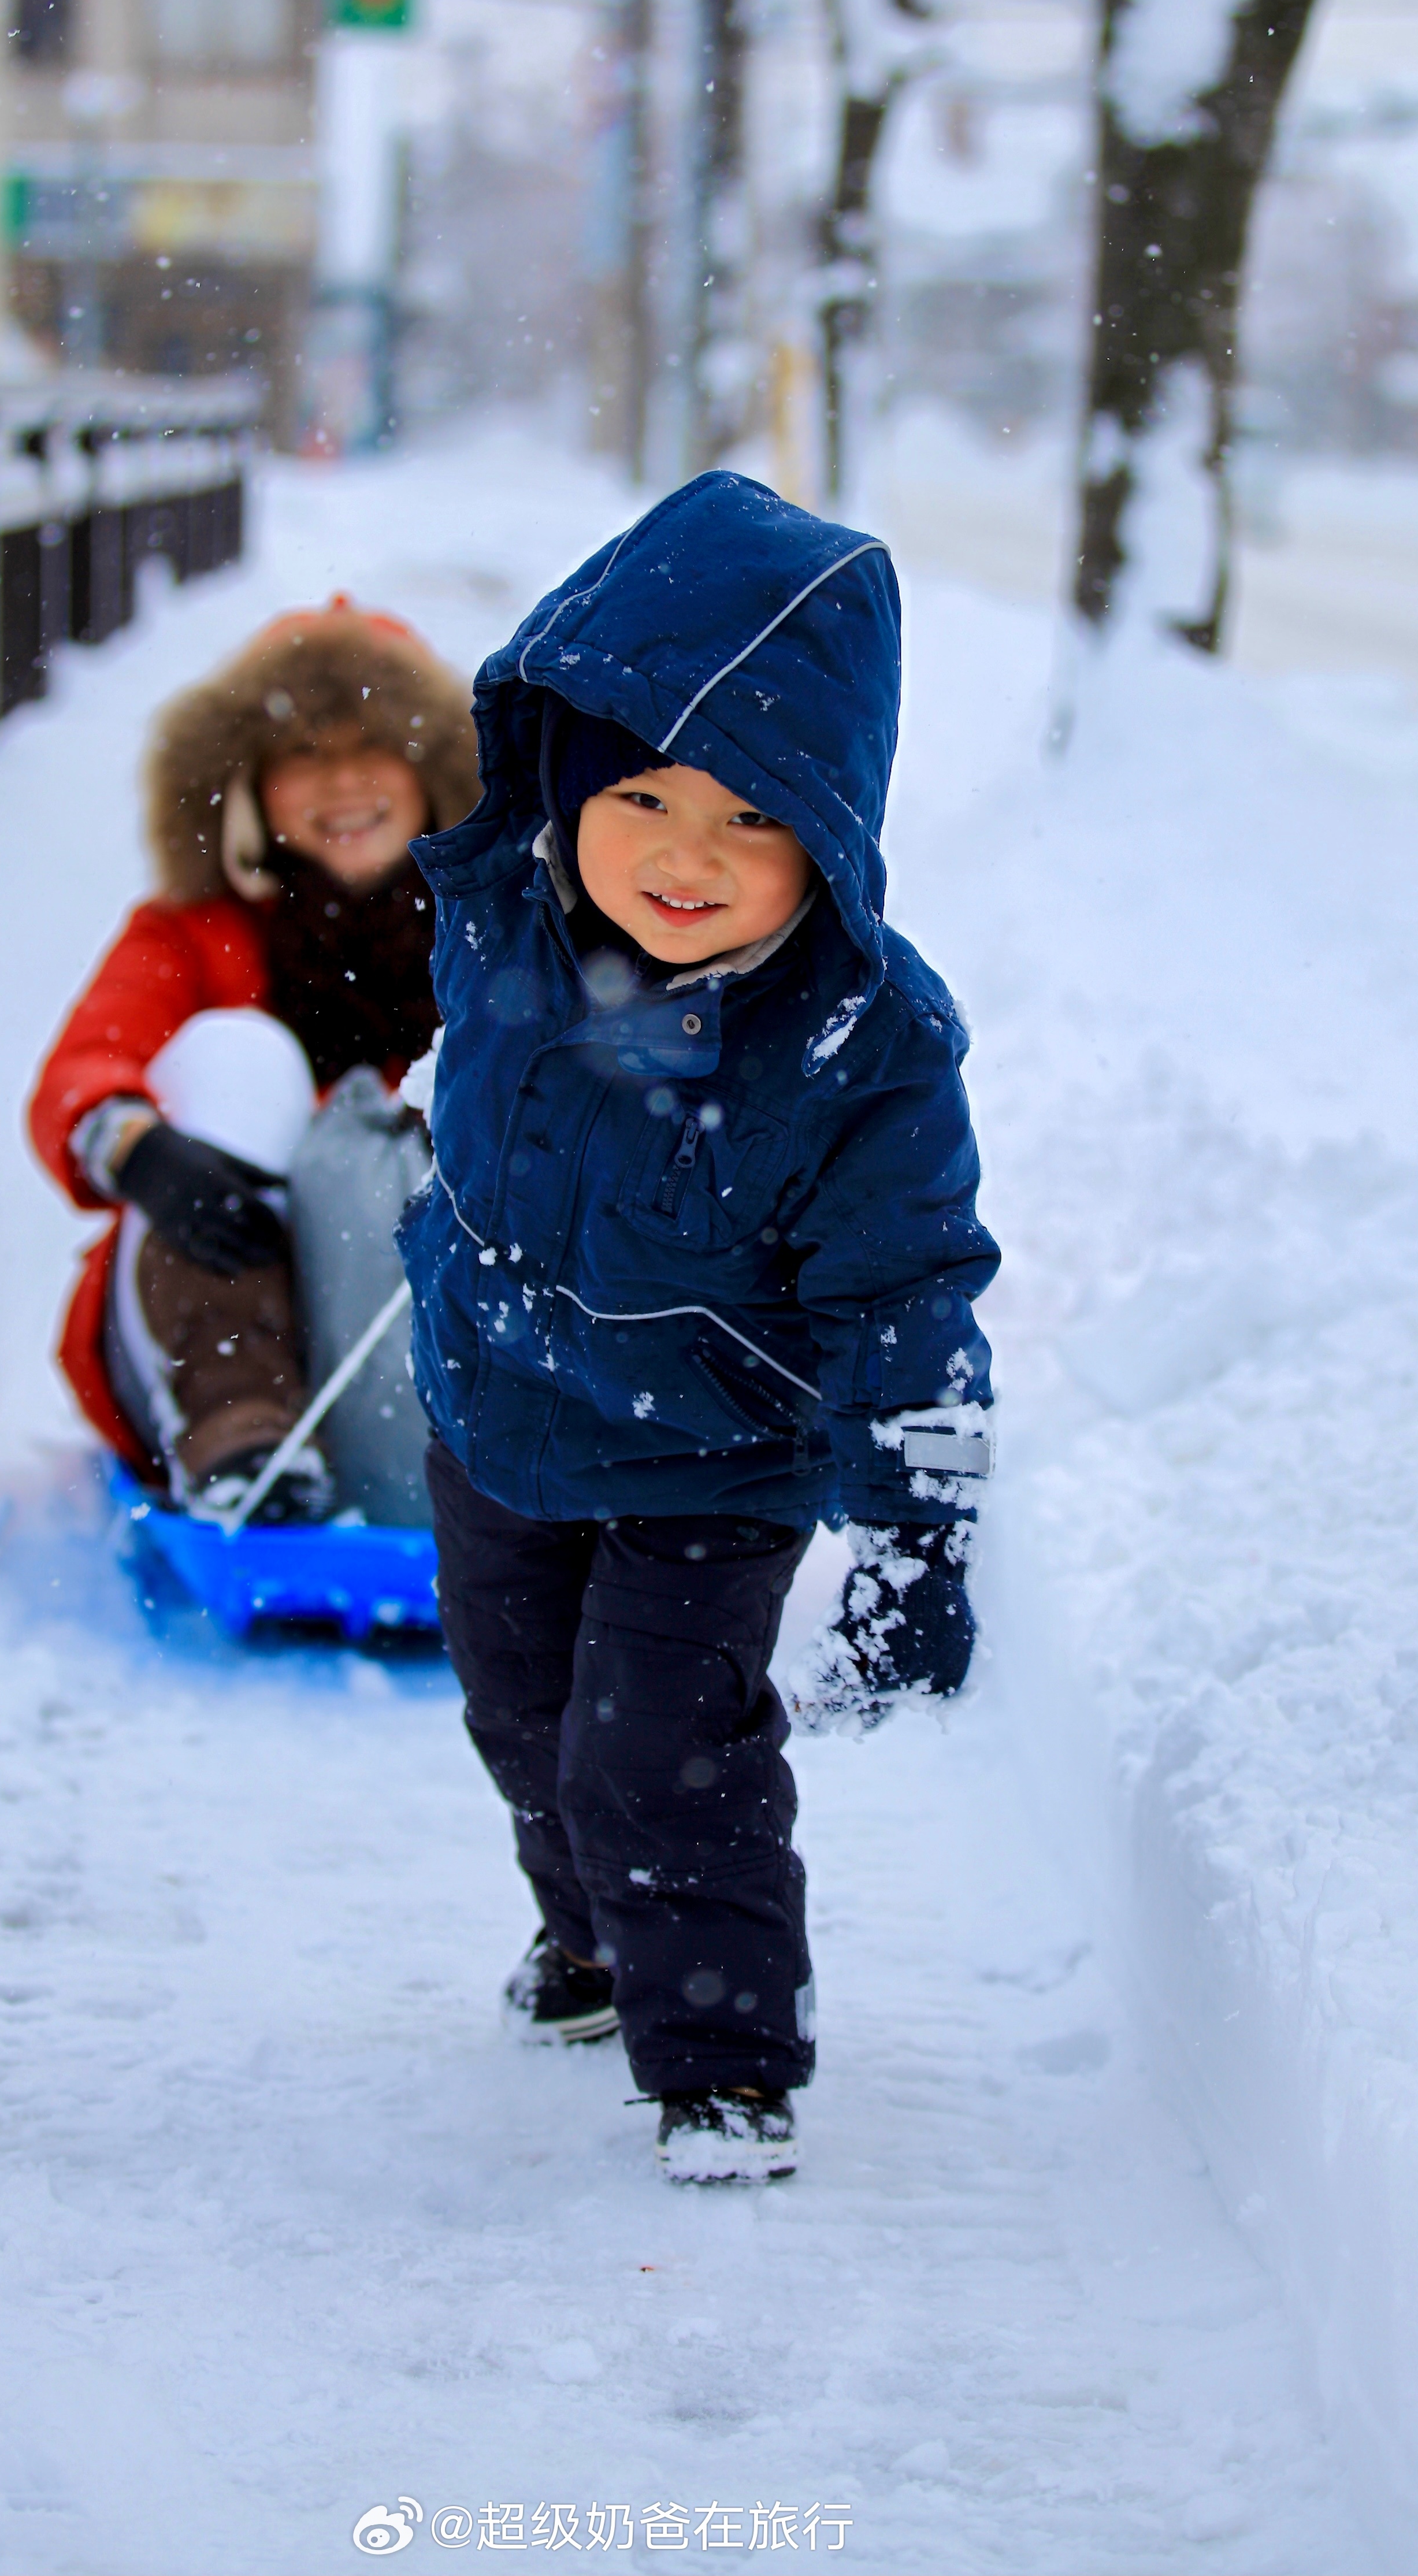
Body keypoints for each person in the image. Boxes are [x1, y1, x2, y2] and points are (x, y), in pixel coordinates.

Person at [400, 472, 998, 2184]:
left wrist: (913, 1532)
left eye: (752, 817)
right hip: (501, 1407)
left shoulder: (860, 1046)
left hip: (716, 1455)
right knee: (523, 1718)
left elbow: (907, 1294)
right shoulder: (502, 924)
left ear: (829, 829)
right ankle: (591, 1939)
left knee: (657, 1747)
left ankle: (724, 2053)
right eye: (645, 796)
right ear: (564, 783)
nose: (685, 857)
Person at [27, 596, 479, 1519]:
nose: (342, 785)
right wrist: (140, 1149)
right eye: (304, 756)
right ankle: (246, 1442)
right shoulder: (194, 936)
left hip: (425, 1337)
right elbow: (83, 1071)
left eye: (372, 750)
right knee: (238, 1054)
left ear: (432, 770)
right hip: (232, 1315)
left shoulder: (501, 940)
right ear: (248, 786)